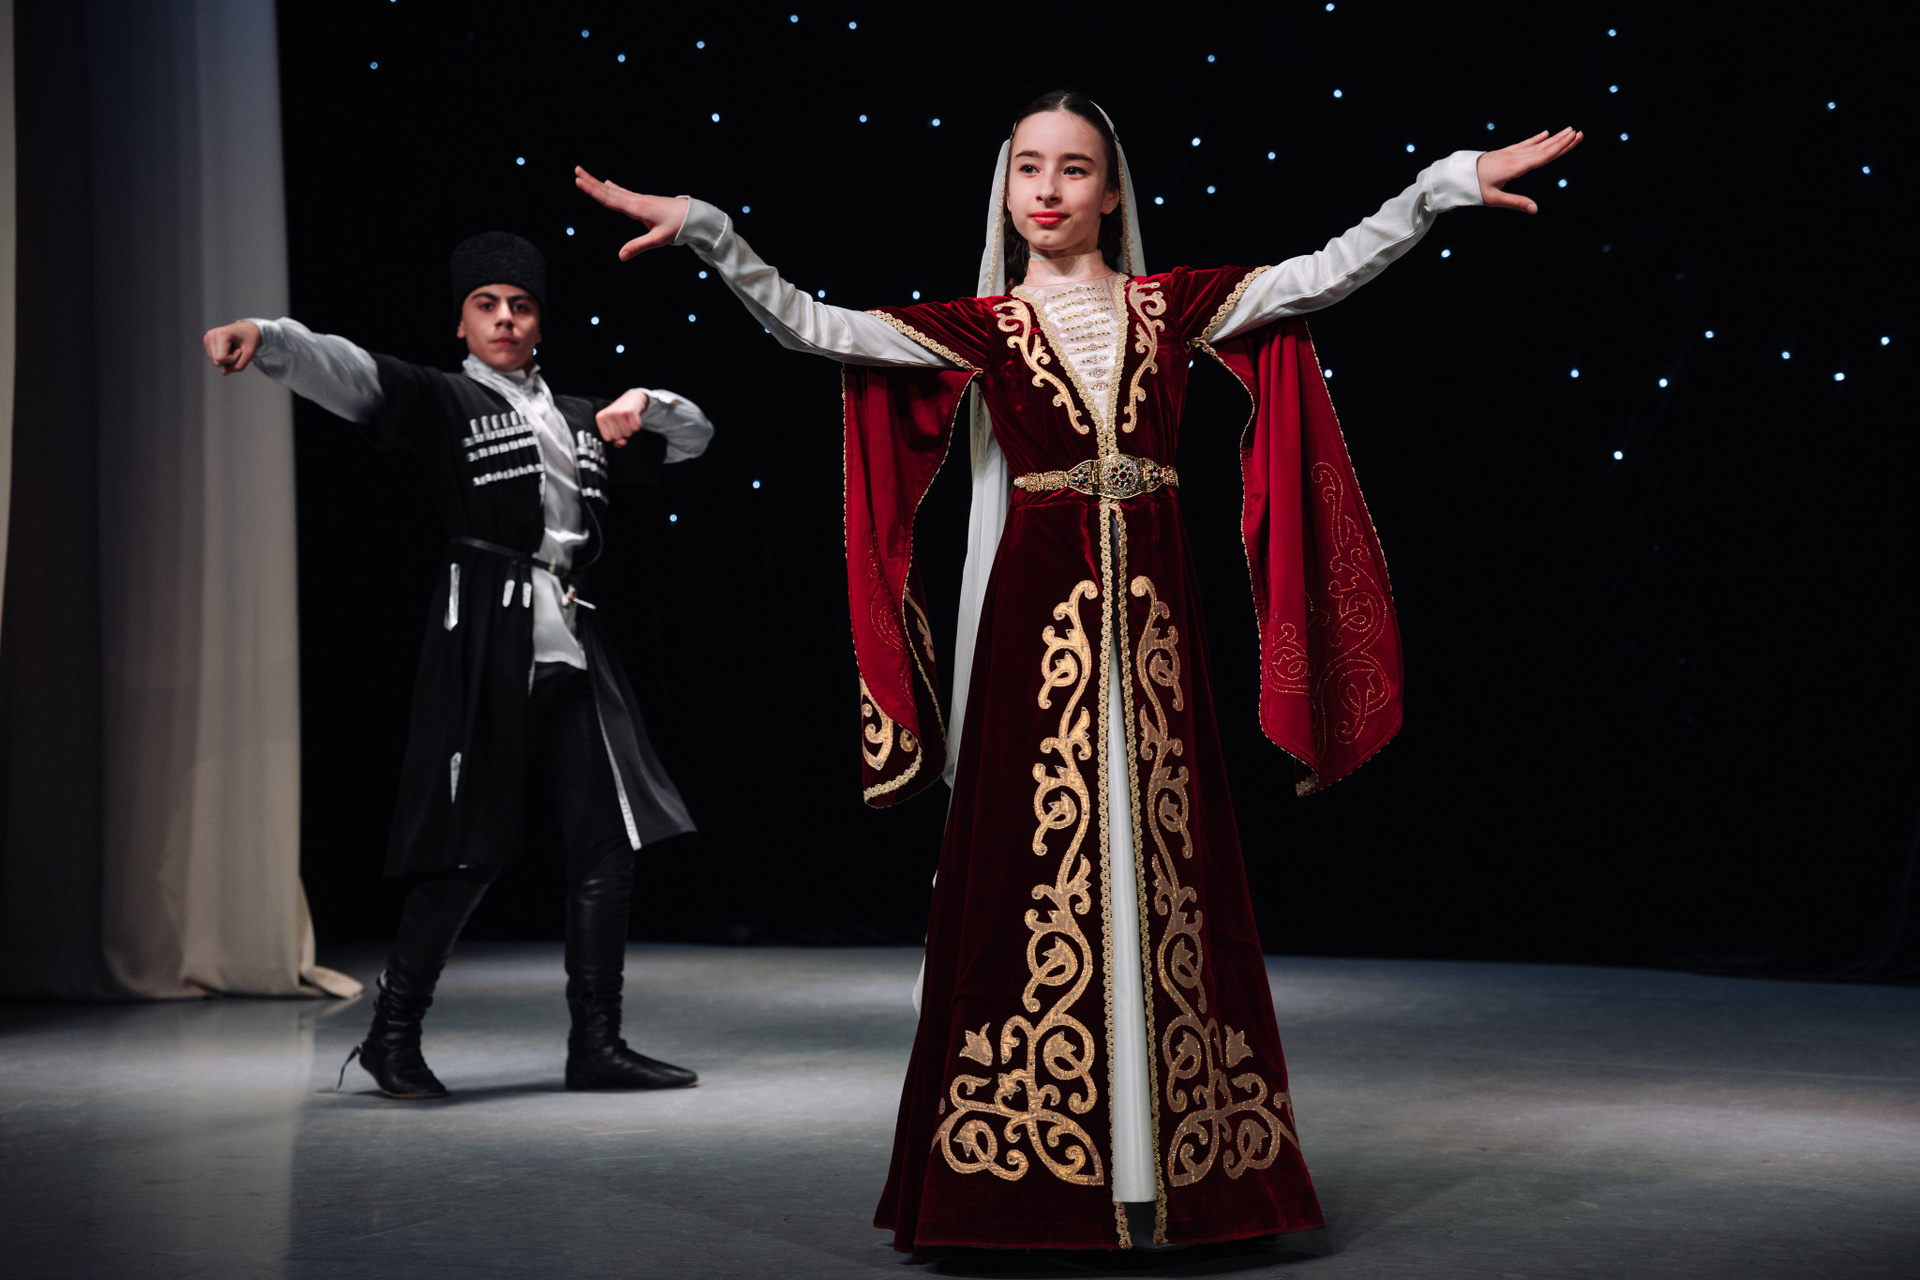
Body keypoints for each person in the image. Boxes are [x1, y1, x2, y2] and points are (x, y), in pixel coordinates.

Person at [575, 92, 1577, 1249]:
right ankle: (1030, 1185)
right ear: (1004, 191)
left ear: (1111, 191)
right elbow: (814, 326)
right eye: (1029, 168)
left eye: (1075, 168)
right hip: (1034, 632)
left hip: (1154, 632)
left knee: (1169, 871)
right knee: (1028, 870)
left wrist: (1441, 187)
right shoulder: (987, 327)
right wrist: (708, 228)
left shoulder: (1172, 306)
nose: (1048, 189)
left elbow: (1323, 272)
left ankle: (1172, 1178)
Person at [201, 232, 713, 1098]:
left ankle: (597, 1043)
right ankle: (391, 1036)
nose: (505, 318)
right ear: (462, 324)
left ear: (541, 322)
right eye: (487, 305)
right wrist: (270, 336)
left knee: (606, 845)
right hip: (484, 631)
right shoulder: (441, 398)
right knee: (467, 847)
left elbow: (696, 437)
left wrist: (646, 401)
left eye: (521, 305)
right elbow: (351, 371)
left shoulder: (583, 415)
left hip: (574, 640)